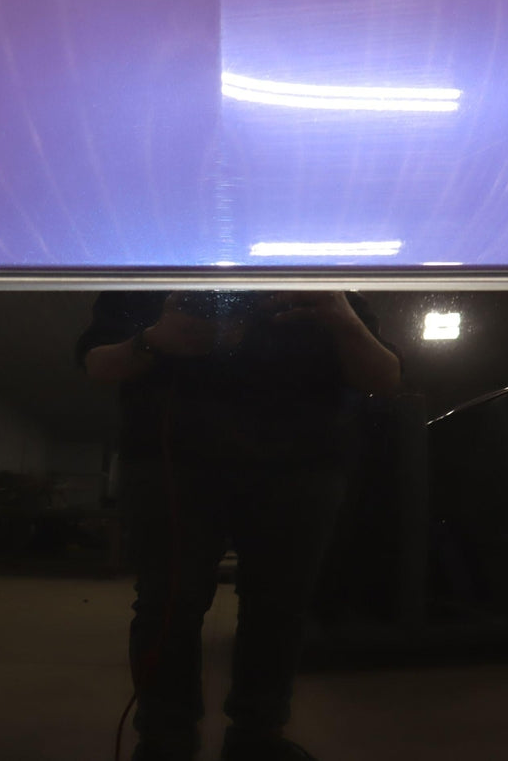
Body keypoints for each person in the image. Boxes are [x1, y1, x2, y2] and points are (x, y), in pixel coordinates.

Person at [79, 290, 401, 761]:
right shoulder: (148, 276)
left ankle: (254, 737)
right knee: (169, 601)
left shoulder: (322, 287)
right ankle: (171, 740)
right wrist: (153, 341)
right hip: (176, 461)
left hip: (299, 465)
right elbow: (97, 365)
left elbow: (386, 378)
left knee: (279, 605)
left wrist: (342, 318)